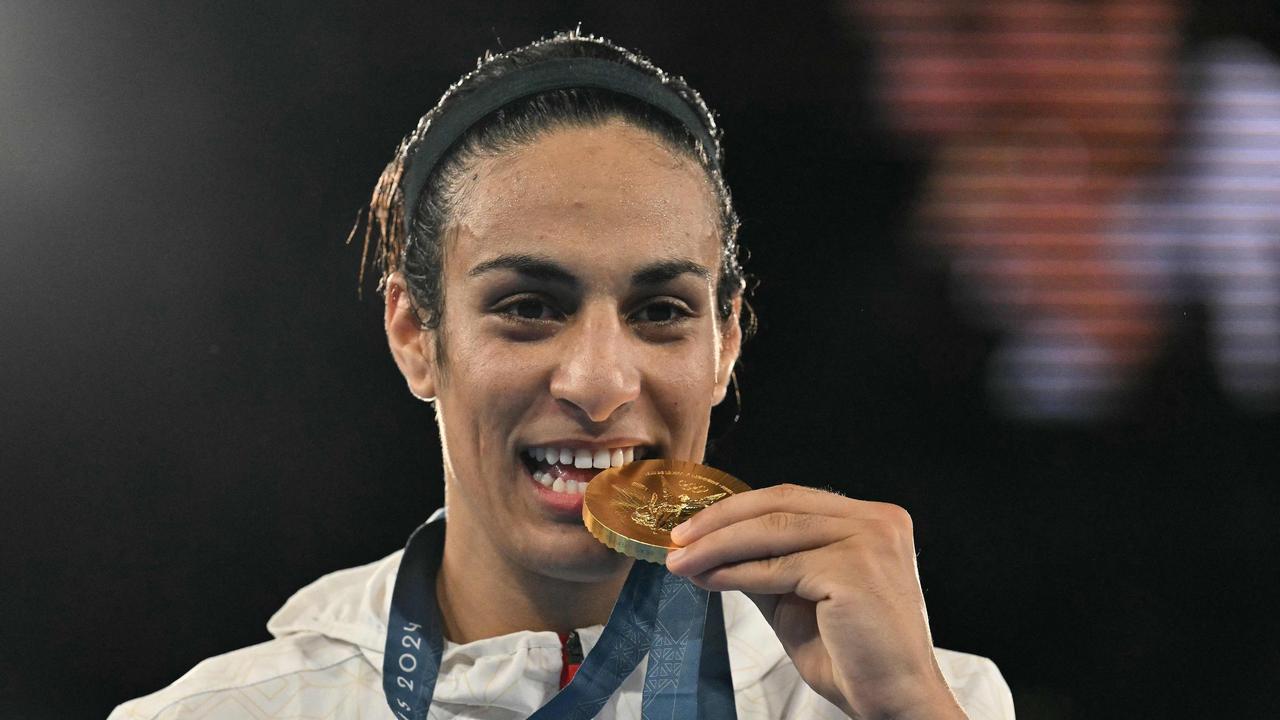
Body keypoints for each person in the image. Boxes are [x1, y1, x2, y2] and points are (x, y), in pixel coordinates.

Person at [109, 31, 1015, 719]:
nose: (597, 381)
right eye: (529, 307)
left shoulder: (906, 695)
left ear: (726, 341)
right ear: (416, 332)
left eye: (661, 311)